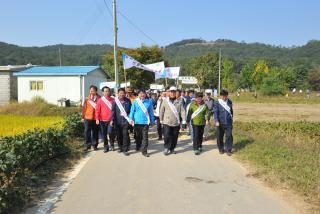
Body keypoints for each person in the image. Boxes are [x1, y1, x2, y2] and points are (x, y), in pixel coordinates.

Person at [160, 86, 186, 155]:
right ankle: (166, 148)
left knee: (175, 136)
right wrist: (161, 120)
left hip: (176, 122)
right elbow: (161, 111)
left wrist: (184, 121)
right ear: (169, 93)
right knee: (167, 135)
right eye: (171, 92)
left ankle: (172, 148)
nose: (172, 93)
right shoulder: (165, 101)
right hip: (167, 122)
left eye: (174, 92)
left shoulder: (179, 102)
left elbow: (183, 112)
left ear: (176, 93)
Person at [129, 90, 155, 157]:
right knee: (138, 136)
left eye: (143, 93)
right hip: (137, 122)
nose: (142, 95)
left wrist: (152, 120)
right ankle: (138, 146)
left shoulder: (148, 102)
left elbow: (151, 112)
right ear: (138, 94)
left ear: (145, 94)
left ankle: (144, 151)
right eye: (140, 93)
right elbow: (132, 111)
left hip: (146, 122)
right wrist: (130, 118)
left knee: (145, 137)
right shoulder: (135, 101)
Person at [112, 88, 132, 156]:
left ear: (125, 93)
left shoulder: (128, 101)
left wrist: (130, 118)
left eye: (123, 93)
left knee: (125, 135)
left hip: (125, 121)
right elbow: (113, 111)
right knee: (119, 135)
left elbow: (130, 111)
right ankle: (120, 147)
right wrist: (112, 120)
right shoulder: (115, 101)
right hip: (117, 121)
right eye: (120, 93)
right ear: (118, 93)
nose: (121, 94)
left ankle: (125, 149)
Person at [214, 89, 234, 156]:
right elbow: (216, 112)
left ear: (227, 96)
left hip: (228, 122)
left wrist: (231, 118)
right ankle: (221, 149)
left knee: (229, 136)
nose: (224, 97)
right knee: (220, 136)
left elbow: (231, 111)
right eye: (222, 96)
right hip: (220, 122)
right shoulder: (217, 102)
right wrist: (216, 120)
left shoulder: (229, 102)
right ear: (221, 96)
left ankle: (228, 149)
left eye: (225, 96)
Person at [95, 86, 114, 152]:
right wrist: (97, 118)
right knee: (104, 134)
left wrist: (113, 119)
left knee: (110, 132)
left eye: (108, 91)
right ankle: (106, 146)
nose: (107, 92)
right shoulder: (100, 100)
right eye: (105, 91)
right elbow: (97, 110)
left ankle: (112, 143)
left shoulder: (112, 100)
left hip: (110, 120)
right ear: (103, 92)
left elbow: (114, 110)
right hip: (102, 121)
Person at [82, 85, 100, 151]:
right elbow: (84, 108)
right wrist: (83, 117)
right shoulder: (87, 99)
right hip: (87, 117)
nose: (91, 92)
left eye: (93, 90)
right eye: (90, 90)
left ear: (96, 91)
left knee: (95, 132)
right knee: (87, 132)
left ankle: (95, 145)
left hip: (96, 118)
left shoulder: (99, 98)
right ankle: (87, 145)